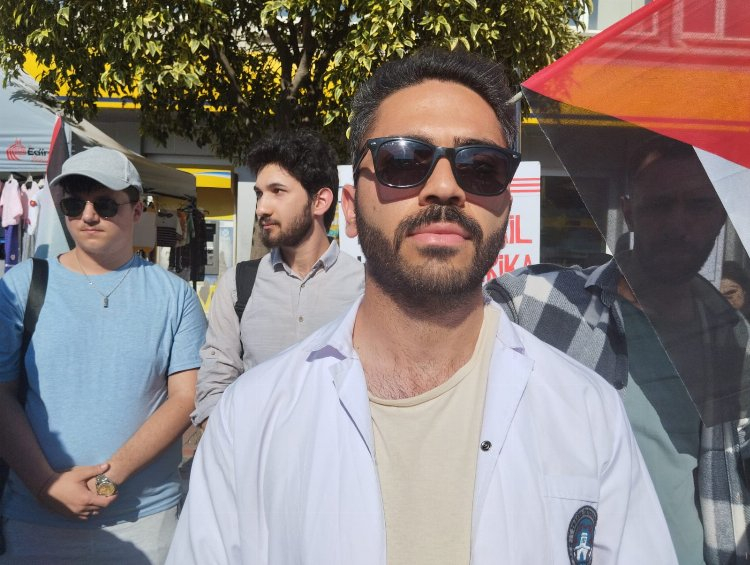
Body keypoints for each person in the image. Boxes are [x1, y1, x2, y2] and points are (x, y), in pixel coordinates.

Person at [167, 48, 676, 564]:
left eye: (481, 167)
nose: (444, 187)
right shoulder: (251, 417)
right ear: (350, 207)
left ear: (505, 205)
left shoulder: (587, 412)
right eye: (403, 161)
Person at [487, 136, 750, 564]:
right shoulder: (535, 304)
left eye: (699, 205)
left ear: (721, 215)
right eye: (661, 204)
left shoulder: (732, 336)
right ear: (629, 210)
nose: (678, 224)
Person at [0, 147, 207, 563]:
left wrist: (110, 479)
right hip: (34, 519)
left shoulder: (175, 296)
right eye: (74, 204)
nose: (88, 216)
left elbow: (186, 398)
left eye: (105, 204)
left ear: (138, 210)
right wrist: (45, 485)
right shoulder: (21, 287)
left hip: (144, 518)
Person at [191, 129, 364, 428]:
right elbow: (213, 386)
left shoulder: (365, 287)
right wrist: (235, 444)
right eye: (259, 194)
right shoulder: (238, 285)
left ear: (320, 201)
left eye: (277, 191)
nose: (261, 208)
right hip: (249, 454)